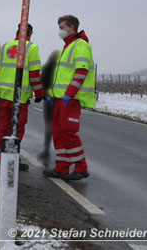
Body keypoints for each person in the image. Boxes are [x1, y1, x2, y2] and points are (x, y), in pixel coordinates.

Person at [44, 15, 95, 181]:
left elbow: (81, 72)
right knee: (58, 133)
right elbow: (62, 77)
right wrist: (52, 94)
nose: (60, 31)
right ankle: (62, 167)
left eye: (62, 27)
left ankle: (81, 167)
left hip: (71, 100)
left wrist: (69, 94)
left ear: (72, 27)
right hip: (61, 99)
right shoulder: (68, 46)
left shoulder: (81, 46)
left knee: (68, 131)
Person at [0, 24, 44, 170]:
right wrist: (39, 93)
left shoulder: (6, 46)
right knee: (17, 128)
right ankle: (11, 157)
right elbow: (34, 75)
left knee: (2, 126)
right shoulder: (31, 48)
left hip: (3, 95)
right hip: (19, 96)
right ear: (31, 33)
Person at [38, 50, 59, 167]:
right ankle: (55, 152)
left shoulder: (46, 68)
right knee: (55, 127)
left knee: (49, 127)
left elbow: (41, 82)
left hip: (48, 100)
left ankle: (46, 151)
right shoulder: (58, 69)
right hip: (57, 100)